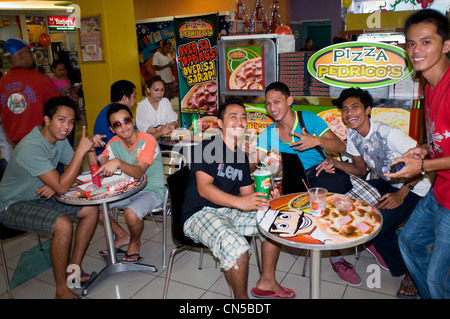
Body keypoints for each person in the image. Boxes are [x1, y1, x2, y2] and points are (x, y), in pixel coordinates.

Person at [317, 87, 432, 298]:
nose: (349, 113)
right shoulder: (353, 135)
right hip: (390, 183)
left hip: (417, 187)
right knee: (346, 198)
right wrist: (334, 162)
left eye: (355, 107)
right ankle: (373, 248)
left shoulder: (390, 134)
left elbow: (426, 162)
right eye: (345, 109)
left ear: (368, 109)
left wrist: (403, 193)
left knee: (379, 226)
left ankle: (408, 273)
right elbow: (360, 171)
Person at [182, 99, 295, 299]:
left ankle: (267, 281)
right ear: (219, 123)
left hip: (228, 210)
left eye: (243, 117)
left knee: (273, 222)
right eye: (233, 117)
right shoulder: (207, 147)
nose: (240, 121)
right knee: (239, 250)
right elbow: (204, 189)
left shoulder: (241, 156)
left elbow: (247, 194)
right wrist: (240, 203)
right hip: (199, 213)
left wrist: (266, 198)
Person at [254, 81, 363, 286]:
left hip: (320, 178)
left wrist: (316, 140)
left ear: (289, 101)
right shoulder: (268, 132)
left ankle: (336, 258)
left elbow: (340, 145)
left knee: (327, 214)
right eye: (268, 103)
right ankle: (303, 243)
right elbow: (255, 160)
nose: (272, 108)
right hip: (292, 184)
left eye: (277, 101)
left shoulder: (308, 120)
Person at [0, 96, 105, 299]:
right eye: (61, 120)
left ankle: (72, 271)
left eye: (72, 121)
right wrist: (59, 181)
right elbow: (63, 183)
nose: (67, 127)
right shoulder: (31, 146)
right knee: (63, 225)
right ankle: (61, 291)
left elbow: (67, 174)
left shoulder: (59, 140)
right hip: (11, 205)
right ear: (46, 120)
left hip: (39, 196)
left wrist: (87, 150)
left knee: (91, 210)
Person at [385, 9, 450, 299]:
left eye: (426, 42)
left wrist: (422, 165)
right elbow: (439, 135)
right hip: (440, 190)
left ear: (446, 45)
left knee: (438, 276)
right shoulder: (428, 85)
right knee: (410, 242)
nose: (416, 50)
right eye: (411, 43)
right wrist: (423, 147)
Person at [91, 103, 165, 263]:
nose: (123, 126)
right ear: (112, 129)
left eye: (126, 121)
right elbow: (96, 169)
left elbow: (139, 172)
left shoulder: (148, 140)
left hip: (152, 190)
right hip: (125, 190)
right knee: (93, 208)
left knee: (131, 213)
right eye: (117, 124)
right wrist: (91, 148)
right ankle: (122, 236)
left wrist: (117, 162)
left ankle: (135, 241)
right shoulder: (114, 143)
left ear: (132, 121)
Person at [0, 38, 60, 146]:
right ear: (22, 54)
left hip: (16, 144)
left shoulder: (2, 83)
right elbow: (58, 104)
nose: (32, 55)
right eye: (29, 52)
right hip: (40, 141)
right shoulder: (39, 79)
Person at [93, 80, 137, 155]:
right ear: (125, 98)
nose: (135, 100)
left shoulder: (106, 110)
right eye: (134, 97)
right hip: (112, 157)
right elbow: (138, 139)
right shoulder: (121, 115)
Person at [136, 75, 178, 139]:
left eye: (162, 90)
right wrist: (160, 129)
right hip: (149, 139)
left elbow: (173, 120)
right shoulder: (142, 106)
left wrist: (170, 126)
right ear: (148, 90)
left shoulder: (165, 102)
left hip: (166, 138)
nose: (160, 93)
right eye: (156, 90)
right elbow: (145, 129)